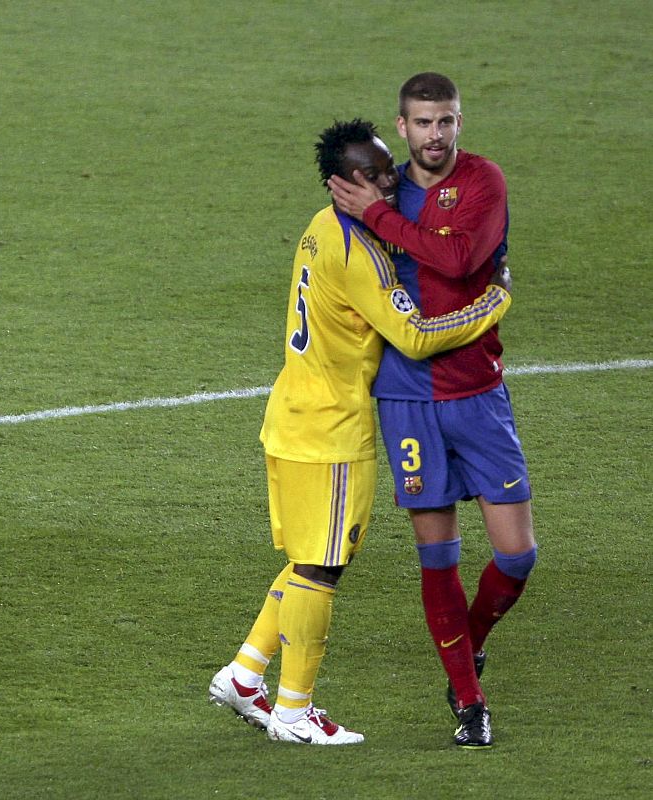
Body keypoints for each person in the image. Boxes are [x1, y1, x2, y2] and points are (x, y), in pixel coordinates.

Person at [209, 119, 513, 746]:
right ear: (342, 183)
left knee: (307, 560)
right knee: (322, 568)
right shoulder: (359, 252)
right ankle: (294, 711)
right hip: (331, 430)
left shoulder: (324, 227)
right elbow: (414, 336)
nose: (389, 179)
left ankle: (244, 675)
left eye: (387, 167)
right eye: (373, 175)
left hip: (294, 412)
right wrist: (493, 303)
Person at [328, 73, 537, 749]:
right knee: (436, 557)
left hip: (476, 388)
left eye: (445, 121)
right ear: (403, 126)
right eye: (422, 123)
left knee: (515, 556)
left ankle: (465, 643)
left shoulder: (481, 182)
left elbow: (453, 260)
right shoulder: (381, 189)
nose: (435, 135)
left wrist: (378, 217)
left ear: (458, 123)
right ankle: (468, 700)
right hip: (406, 399)